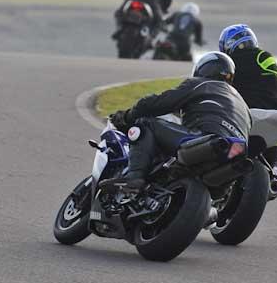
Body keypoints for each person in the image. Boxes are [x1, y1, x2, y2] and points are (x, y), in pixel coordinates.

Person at [107, 51, 251, 189]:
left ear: (204, 69)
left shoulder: (200, 84)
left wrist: (126, 117)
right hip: (235, 152)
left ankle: (134, 177)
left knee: (146, 123)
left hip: (206, 137)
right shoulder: (242, 102)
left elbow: (158, 103)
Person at [218, 23, 277, 187]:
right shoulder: (268, 60)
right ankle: (274, 164)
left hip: (248, 117)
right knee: (272, 158)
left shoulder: (233, 62)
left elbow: (218, 87)